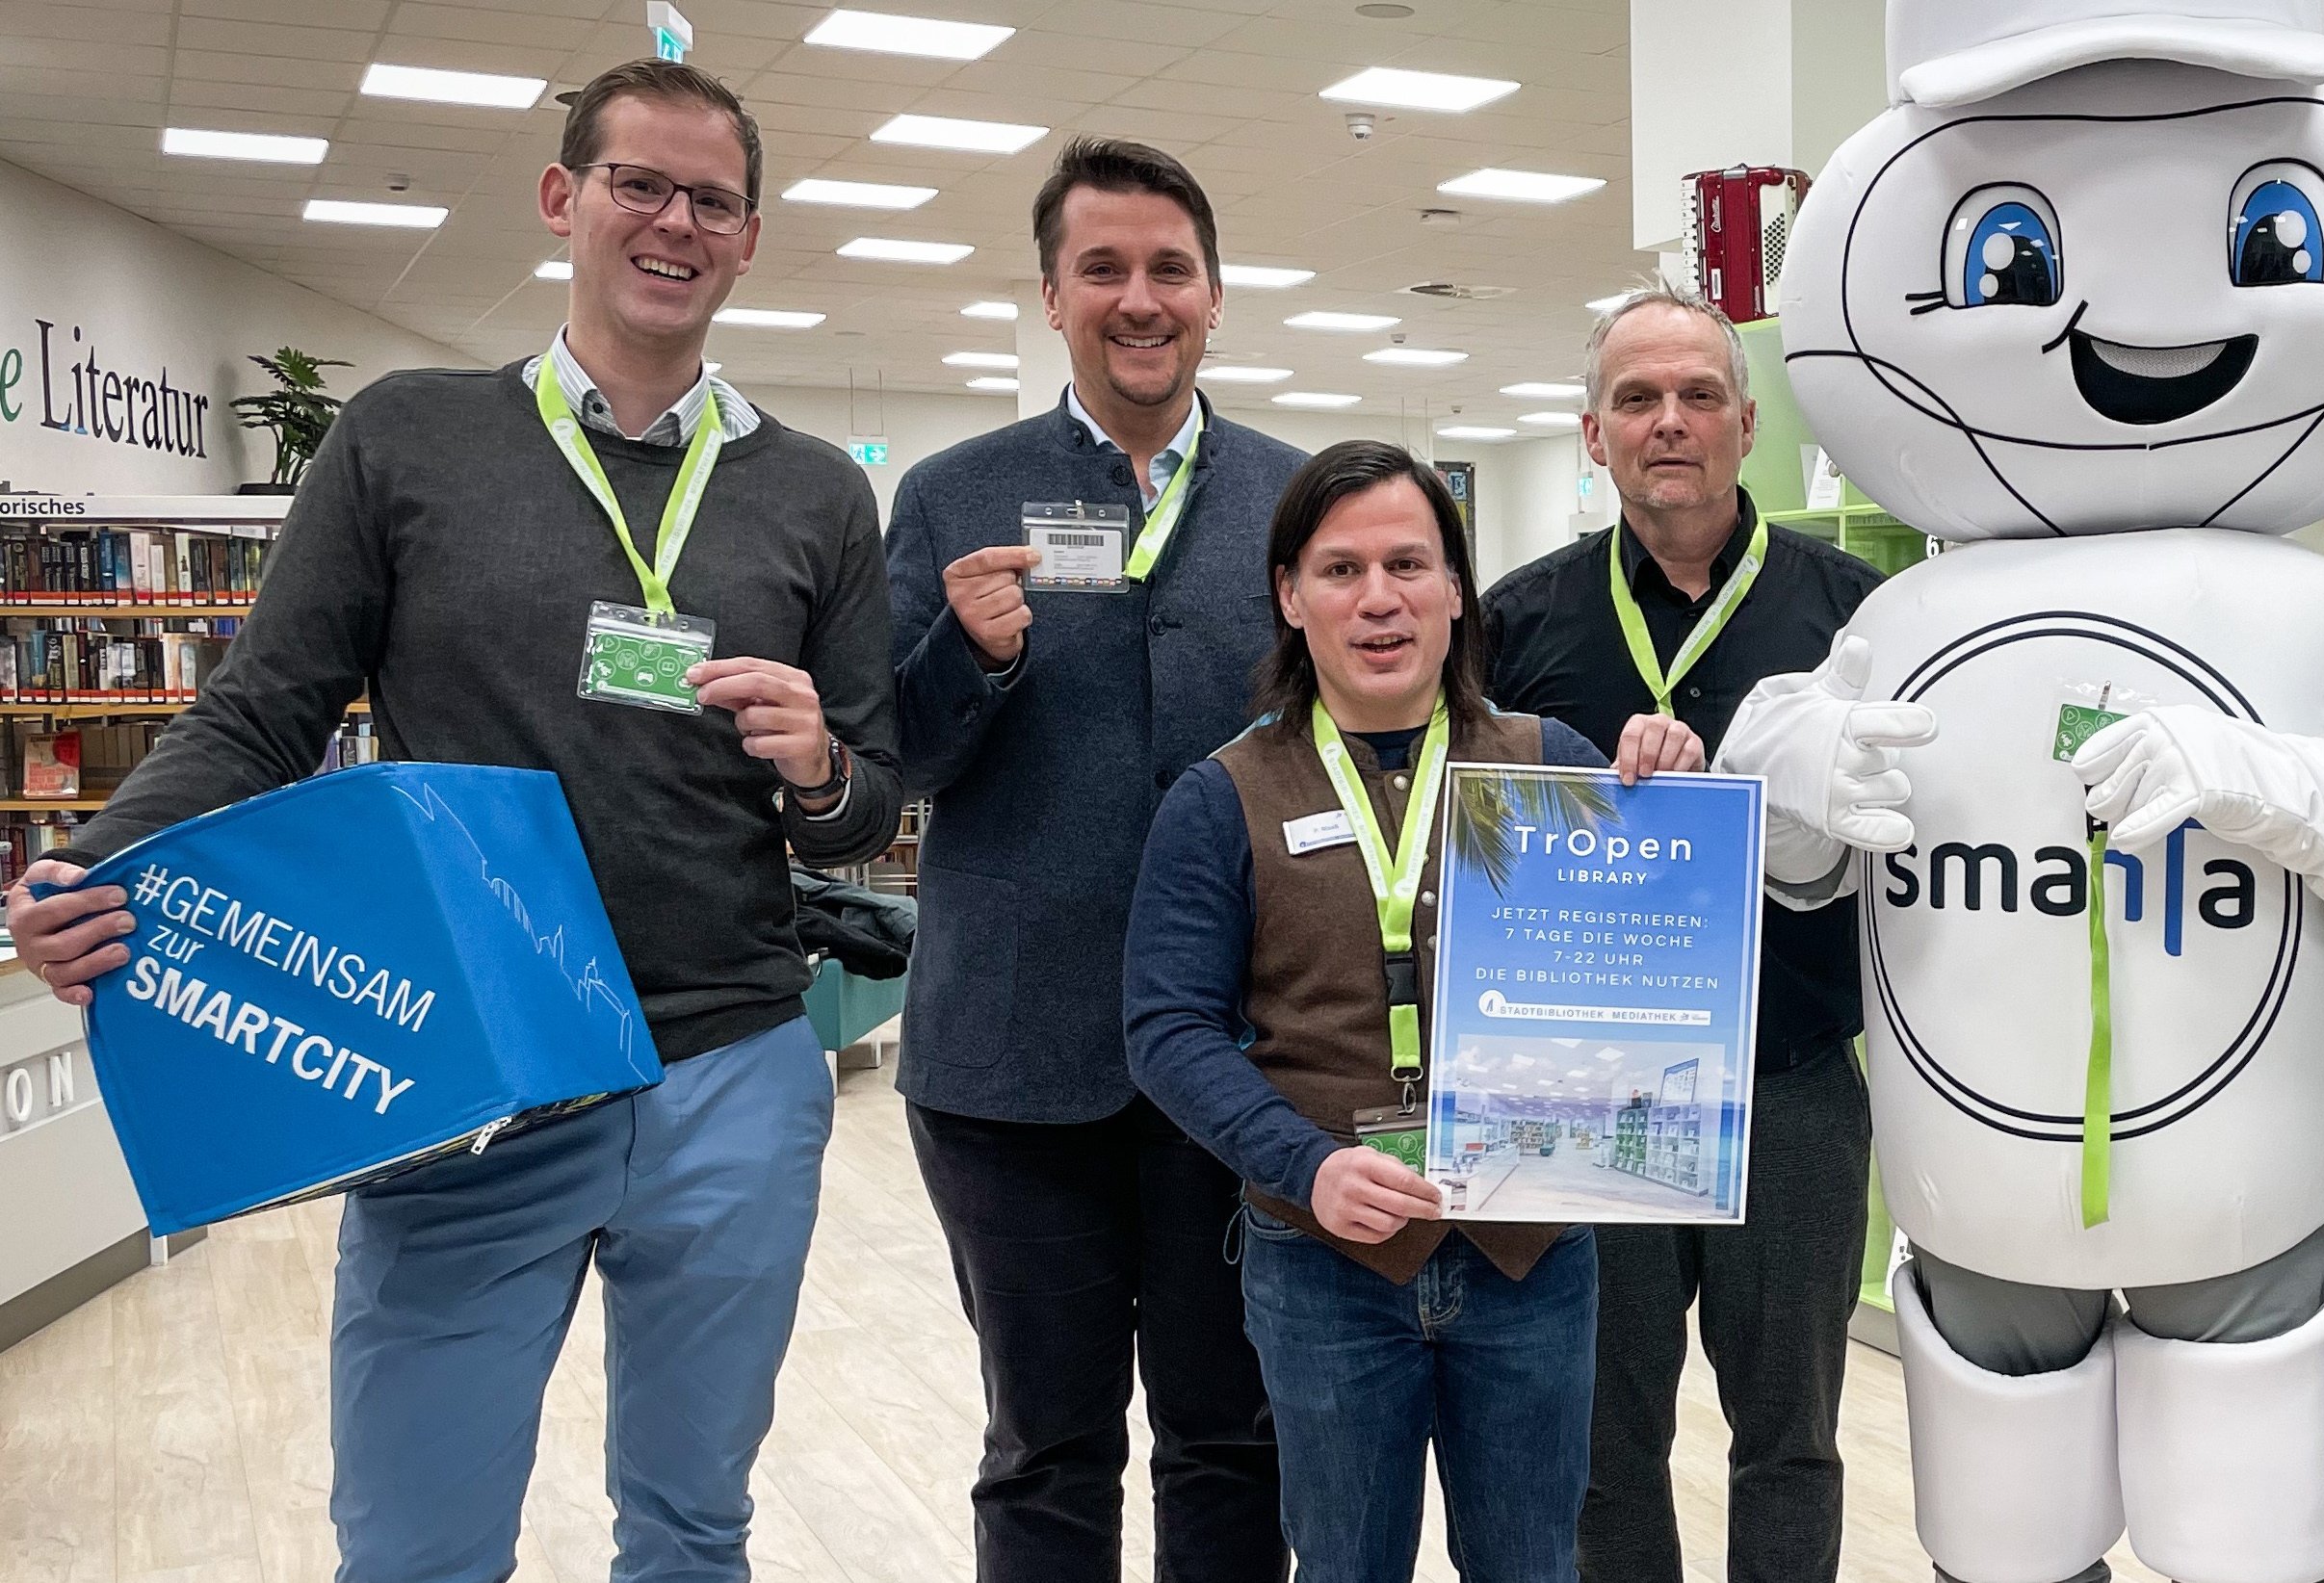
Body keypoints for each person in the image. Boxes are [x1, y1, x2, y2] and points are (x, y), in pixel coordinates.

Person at [1, 60, 901, 1579]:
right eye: (639, 184)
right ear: (563, 200)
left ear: (750, 238)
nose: (674, 222)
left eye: (714, 201)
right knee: (415, 1543)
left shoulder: (814, 493)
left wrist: (819, 766)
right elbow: (258, 710)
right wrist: (93, 859)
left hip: (734, 1073)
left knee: (693, 1526)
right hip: (473, 1078)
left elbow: (865, 807)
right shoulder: (409, 439)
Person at [1124, 440, 1701, 1582]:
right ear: (1290, 598)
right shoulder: (1223, 795)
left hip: (1528, 1257)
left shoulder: (1552, 767)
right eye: (1339, 570)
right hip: (1323, 1256)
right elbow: (1166, 1030)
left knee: (1533, 1564)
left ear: (1453, 592)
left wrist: (1672, 804)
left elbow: (1653, 979)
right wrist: (1305, 1164)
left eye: (1407, 564)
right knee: (1344, 1567)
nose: (1377, 599)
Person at [884, 138, 1307, 1581]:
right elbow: (899, 763)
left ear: (1213, 295)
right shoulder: (953, 494)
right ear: (1053, 295)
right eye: (1104, 270)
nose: (1141, 299)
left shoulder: (1290, 499)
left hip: (1240, 1059)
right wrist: (964, 657)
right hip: (1009, 1063)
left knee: (1233, 1433)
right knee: (1047, 1446)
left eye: (1168, 270)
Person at [1479, 282, 1885, 1583]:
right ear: (1591, 434)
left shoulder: (1853, 614)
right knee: (1604, 1438)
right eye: (1636, 398)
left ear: (1746, 425)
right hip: (1591, 1102)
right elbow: (1470, 836)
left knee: (1791, 1436)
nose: (1670, 422)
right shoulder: (1516, 622)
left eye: (1698, 396)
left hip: (1793, 1084)